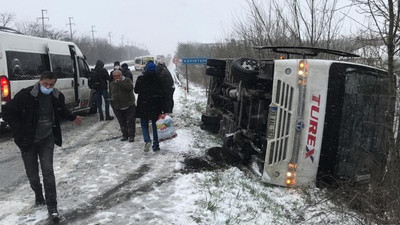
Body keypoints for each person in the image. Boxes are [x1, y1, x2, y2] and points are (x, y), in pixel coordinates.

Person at [2, 71, 83, 222]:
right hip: (28, 141)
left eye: (51, 84)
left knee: (48, 172)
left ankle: (52, 207)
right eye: (45, 83)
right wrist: (18, 131)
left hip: (47, 140)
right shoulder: (26, 95)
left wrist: (72, 117)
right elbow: (7, 111)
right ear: (40, 81)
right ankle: (38, 194)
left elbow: (60, 110)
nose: (48, 86)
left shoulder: (56, 95)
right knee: (32, 175)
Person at [134, 61, 165, 152]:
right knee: (155, 125)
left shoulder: (141, 78)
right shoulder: (159, 79)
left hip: (143, 105)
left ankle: (147, 140)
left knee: (144, 124)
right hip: (156, 105)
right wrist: (165, 107)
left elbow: (136, 91)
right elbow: (163, 94)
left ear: (146, 68)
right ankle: (156, 144)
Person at [109, 70, 136, 142]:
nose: (116, 77)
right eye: (115, 76)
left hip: (129, 105)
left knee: (130, 121)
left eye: (118, 75)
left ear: (121, 75)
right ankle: (125, 135)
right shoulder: (112, 84)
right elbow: (110, 94)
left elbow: (130, 87)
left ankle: (131, 136)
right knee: (122, 122)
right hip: (117, 107)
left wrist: (120, 83)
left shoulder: (127, 80)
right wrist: (112, 104)